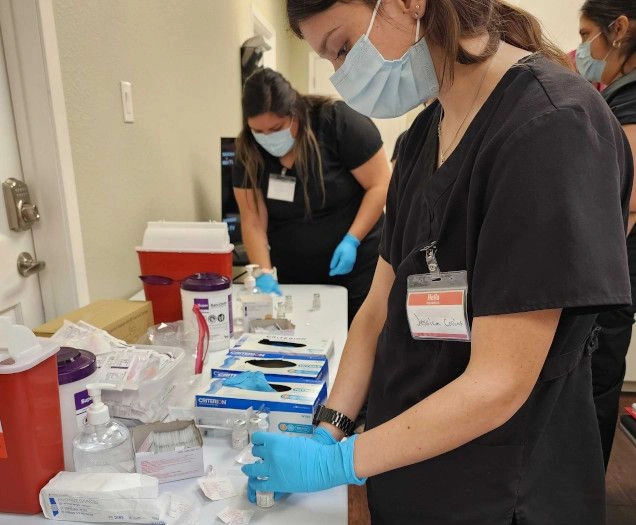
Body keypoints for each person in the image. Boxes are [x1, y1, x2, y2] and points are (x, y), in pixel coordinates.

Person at [241, 1, 634, 523]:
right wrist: (330, 427)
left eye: (343, 48)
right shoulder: (427, 133)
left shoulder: (551, 126)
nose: (341, 76)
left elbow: (499, 383)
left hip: (500, 489)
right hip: (407, 463)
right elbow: (376, 310)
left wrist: (338, 462)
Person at [233, 68, 390, 324]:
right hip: (294, 273)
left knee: (360, 332)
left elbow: (380, 185)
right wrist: (264, 272)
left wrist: (352, 240)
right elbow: (252, 220)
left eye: (276, 128)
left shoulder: (337, 122)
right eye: (258, 131)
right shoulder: (248, 150)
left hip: (357, 265)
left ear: (295, 113)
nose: (267, 138)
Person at [577, 0, 636, 469]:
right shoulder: (616, 92)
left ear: (618, 29)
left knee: (594, 381)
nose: (583, 49)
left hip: (613, 267)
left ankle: (582, 491)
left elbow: (627, 196)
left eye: (585, 35)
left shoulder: (630, 96)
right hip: (611, 266)